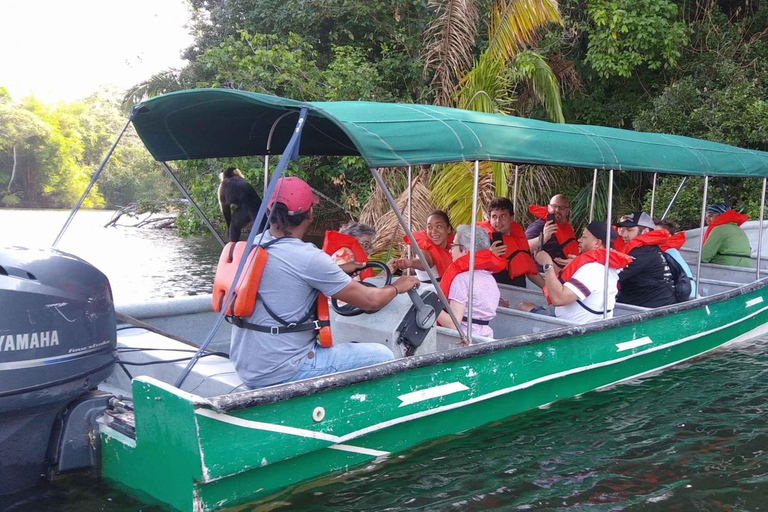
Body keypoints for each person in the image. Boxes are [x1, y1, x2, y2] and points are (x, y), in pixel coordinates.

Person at [229, 177, 420, 388]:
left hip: (247, 366)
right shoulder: (309, 257)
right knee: (382, 354)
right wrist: (398, 286)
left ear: (268, 212)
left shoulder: (253, 245)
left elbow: (292, 275)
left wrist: (340, 270)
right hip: (285, 369)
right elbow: (370, 301)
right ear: (310, 214)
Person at [518, 221, 632, 323]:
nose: (579, 240)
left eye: (584, 237)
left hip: (571, 328)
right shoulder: (606, 265)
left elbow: (558, 299)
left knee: (523, 306)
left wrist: (547, 263)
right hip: (587, 324)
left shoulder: (593, 269)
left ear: (597, 243)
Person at [437, 225, 505, 339]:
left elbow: (453, 324)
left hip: (463, 341)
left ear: (465, 250)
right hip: (486, 337)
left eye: (453, 245)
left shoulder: (462, 280)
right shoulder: (490, 278)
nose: (450, 250)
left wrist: (430, 306)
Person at [477, 197, 544, 289]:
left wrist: (548, 289)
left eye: (503, 216)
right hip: (498, 294)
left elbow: (530, 270)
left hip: (520, 292)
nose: (498, 221)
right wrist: (489, 255)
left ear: (511, 218)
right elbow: (473, 270)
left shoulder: (518, 238)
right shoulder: (483, 240)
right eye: (494, 217)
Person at [615, 211, 676, 307]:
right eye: (624, 230)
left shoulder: (643, 252)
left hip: (651, 310)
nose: (624, 234)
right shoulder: (651, 248)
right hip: (658, 303)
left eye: (630, 230)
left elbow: (613, 276)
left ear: (645, 231)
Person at [392, 210, 454, 282]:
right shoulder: (425, 248)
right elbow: (424, 262)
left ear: (449, 229)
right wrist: (411, 263)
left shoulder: (454, 248)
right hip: (429, 291)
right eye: (430, 227)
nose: (433, 231)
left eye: (439, 226)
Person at [526, 194, 580, 270]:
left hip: (565, 273)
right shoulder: (539, 225)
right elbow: (523, 247)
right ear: (548, 207)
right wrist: (543, 238)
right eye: (554, 206)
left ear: (567, 211)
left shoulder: (567, 228)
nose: (557, 210)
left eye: (562, 208)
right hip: (543, 274)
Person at [701, 203, 752, 268]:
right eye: (706, 217)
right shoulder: (739, 229)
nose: (707, 220)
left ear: (720, 215)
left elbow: (704, 256)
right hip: (747, 265)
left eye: (710, 216)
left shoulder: (719, 229)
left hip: (728, 264)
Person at [655, 219, 696, 299]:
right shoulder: (667, 250)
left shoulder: (670, 252)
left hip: (686, 294)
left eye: (656, 233)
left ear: (668, 235)